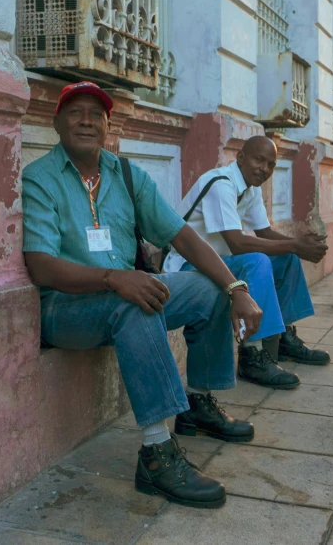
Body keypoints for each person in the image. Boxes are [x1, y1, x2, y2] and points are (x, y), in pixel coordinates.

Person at [21, 81, 263, 510]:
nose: (86, 121)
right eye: (76, 112)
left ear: (108, 126)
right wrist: (115, 278)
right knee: (134, 302)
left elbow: (184, 238)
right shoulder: (39, 178)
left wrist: (236, 288)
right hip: (65, 309)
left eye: (96, 115)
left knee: (208, 288)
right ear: (57, 123)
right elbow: (41, 265)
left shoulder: (126, 175)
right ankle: (156, 454)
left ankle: (198, 405)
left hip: (120, 293)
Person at [164, 136, 331, 390]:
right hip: (189, 266)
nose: (263, 169)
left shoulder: (250, 189)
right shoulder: (221, 183)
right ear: (240, 158)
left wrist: (298, 244)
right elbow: (237, 244)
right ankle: (252, 356)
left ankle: (283, 338)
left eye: (271, 165)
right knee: (257, 262)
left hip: (222, 262)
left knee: (285, 258)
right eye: (258, 160)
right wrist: (295, 245)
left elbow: (264, 233)